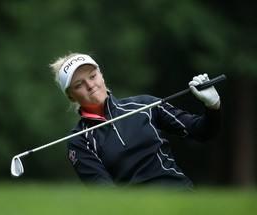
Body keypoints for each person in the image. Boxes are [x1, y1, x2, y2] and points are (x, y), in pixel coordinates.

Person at [50, 52, 222, 189]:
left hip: (178, 194)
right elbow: (103, 190)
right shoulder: (79, 139)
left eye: (92, 76)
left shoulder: (145, 105)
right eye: (79, 84)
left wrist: (213, 105)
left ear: (101, 76)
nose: (90, 85)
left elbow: (202, 131)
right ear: (71, 97)